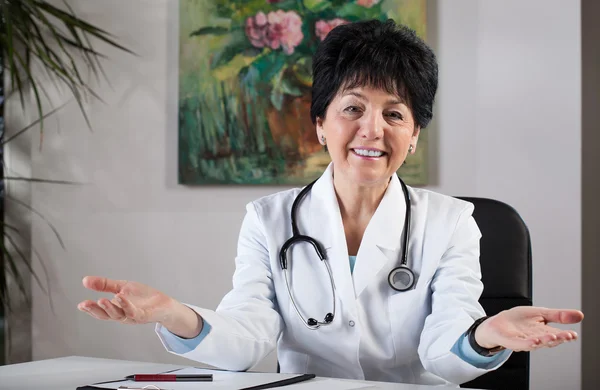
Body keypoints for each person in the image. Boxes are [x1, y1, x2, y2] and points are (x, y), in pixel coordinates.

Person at [78, 19, 583, 386]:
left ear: (413, 137)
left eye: (395, 114)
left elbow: (443, 352)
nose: (372, 129)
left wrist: (486, 335)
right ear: (320, 124)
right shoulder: (268, 221)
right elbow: (247, 339)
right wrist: (173, 313)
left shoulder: (453, 223)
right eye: (353, 108)